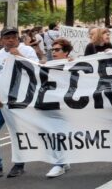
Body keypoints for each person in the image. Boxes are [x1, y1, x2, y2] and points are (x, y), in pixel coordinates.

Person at [0, 28, 38, 179]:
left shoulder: (27, 51)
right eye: (7, 37)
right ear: (1, 41)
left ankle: (19, 164)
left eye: (14, 37)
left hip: (18, 101)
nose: (11, 40)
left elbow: (36, 70)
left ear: (18, 38)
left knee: (18, 133)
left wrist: (19, 56)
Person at [46, 38, 73, 178]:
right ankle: (62, 161)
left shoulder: (74, 64)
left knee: (59, 133)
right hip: (53, 104)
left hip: (68, 105)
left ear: (66, 52)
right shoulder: (47, 65)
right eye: (52, 50)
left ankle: (59, 164)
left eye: (57, 50)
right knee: (54, 132)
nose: (54, 52)